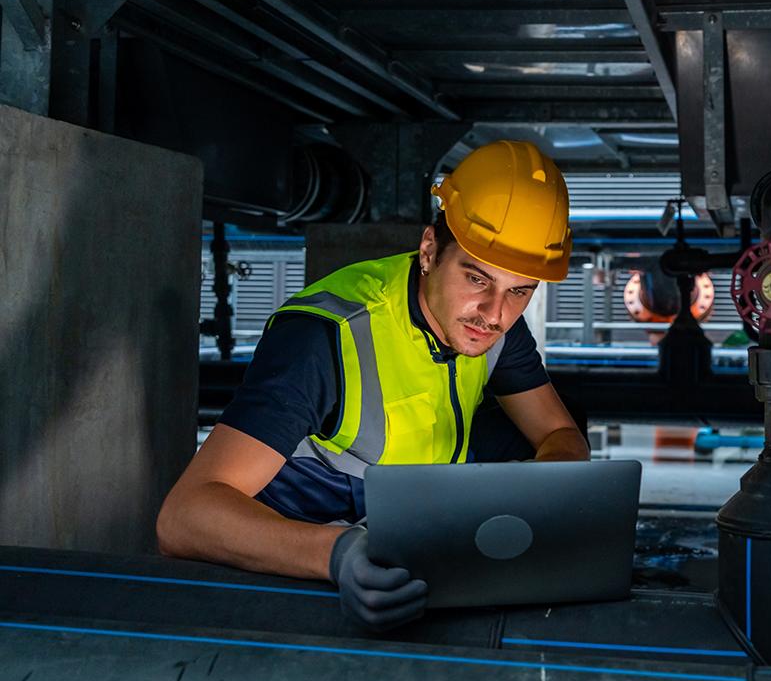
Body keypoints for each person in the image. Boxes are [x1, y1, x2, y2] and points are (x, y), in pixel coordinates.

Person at [157, 140, 590, 631]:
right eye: (476, 279)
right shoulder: (325, 337)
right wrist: (335, 555)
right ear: (429, 250)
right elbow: (183, 517)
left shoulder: (493, 327)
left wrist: (534, 509)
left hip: (409, 541)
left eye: (519, 291)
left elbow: (561, 434)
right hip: (298, 564)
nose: (494, 314)